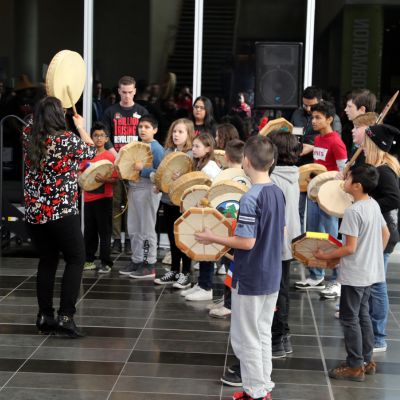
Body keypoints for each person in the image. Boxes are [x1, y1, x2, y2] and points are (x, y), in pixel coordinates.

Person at [195, 135, 285, 400]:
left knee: (245, 338)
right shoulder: (276, 191)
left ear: (246, 161)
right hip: (271, 274)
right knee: (262, 333)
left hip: (250, 277)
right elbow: (277, 232)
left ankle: (256, 393)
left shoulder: (250, 198)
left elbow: (246, 242)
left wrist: (212, 238)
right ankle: (261, 387)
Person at [22, 96, 96, 337]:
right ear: (58, 116)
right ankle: (66, 316)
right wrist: (81, 126)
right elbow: (91, 150)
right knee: (76, 258)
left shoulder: (27, 135)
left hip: (35, 212)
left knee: (47, 261)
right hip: (61, 211)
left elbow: (32, 119)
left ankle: (45, 316)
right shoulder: (66, 140)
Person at [314, 165, 389, 381]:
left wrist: (324, 256)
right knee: (363, 315)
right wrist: (373, 255)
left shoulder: (353, 211)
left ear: (356, 186)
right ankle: (367, 360)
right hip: (371, 272)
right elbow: (385, 233)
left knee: (349, 318)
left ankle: (355, 365)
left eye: (347, 178)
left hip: (356, 274)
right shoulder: (372, 204)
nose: (343, 181)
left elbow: (349, 248)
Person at [295, 101, 347, 295]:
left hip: (330, 197)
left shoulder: (337, 142)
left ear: (329, 119)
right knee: (314, 234)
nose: (313, 121)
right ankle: (316, 276)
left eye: (318, 118)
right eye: (312, 117)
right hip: (314, 195)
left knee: (332, 237)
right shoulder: (317, 140)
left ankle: (338, 279)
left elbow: (343, 172)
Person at [362, 124, 400, 351]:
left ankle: (378, 337)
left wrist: (368, 205)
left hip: (384, 234)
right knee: (374, 283)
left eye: (367, 143)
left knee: (377, 284)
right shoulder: (380, 166)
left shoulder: (385, 170)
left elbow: (394, 199)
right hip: (381, 232)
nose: (363, 148)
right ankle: (374, 334)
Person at [103, 76, 149, 255]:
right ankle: (116, 239)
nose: (127, 96)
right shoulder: (110, 112)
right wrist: (117, 157)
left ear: (135, 91)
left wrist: (134, 162)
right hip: (115, 163)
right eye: (124, 92)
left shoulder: (142, 111)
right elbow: (105, 136)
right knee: (115, 202)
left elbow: (146, 139)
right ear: (118, 91)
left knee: (133, 203)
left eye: (130, 92)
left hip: (135, 166)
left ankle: (130, 238)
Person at [117, 115, 164, 278]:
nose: (142, 130)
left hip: (148, 190)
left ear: (155, 130)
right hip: (134, 188)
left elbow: (161, 173)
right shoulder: (137, 145)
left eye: (147, 127)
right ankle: (137, 260)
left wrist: (142, 169)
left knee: (146, 227)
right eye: (140, 127)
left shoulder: (157, 149)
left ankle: (149, 263)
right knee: (134, 227)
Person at [268, 129, 302, 358]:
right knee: (283, 289)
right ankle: (284, 335)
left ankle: (277, 339)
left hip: (275, 241)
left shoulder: (273, 178)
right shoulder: (294, 174)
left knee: (276, 291)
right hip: (290, 241)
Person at [291, 86, 342, 232]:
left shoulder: (333, 123)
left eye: (311, 106)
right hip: (301, 168)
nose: (308, 109)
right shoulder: (297, 114)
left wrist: (311, 147)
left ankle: (330, 251)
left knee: (327, 219)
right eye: (305, 105)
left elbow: (334, 145)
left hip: (323, 177)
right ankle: (301, 244)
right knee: (300, 212)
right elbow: (293, 132)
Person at [154, 118, 194, 289]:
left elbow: (194, 179)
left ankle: (186, 273)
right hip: (167, 200)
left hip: (183, 204)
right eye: (175, 131)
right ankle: (174, 270)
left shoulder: (192, 154)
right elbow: (162, 173)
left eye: (181, 132)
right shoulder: (167, 151)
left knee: (184, 238)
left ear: (189, 134)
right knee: (172, 238)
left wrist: (182, 178)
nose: (176, 135)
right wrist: (158, 183)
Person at [180, 133, 221, 301]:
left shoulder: (209, 167)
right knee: (202, 248)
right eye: (193, 146)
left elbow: (209, 191)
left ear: (208, 149)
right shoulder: (200, 165)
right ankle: (201, 283)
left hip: (209, 214)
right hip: (203, 213)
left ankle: (206, 287)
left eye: (198, 146)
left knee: (206, 249)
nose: (194, 149)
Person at [208, 139, 245, 320]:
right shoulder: (249, 175)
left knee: (231, 267)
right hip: (243, 229)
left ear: (226, 156)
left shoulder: (223, 176)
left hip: (227, 228)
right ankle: (228, 299)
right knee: (233, 266)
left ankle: (230, 304)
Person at [80, 122, 118, 274]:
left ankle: (106, 262)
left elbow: (115, 179)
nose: (99, 138)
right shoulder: (87, 155)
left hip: (104, 199)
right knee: (89, 231)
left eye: (102, 135)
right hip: (88, 200)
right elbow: (79, 173)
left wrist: (104, 180)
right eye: (95, 135)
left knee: (105, 232)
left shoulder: (110, 156)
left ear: (107, 138)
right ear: (91, 137)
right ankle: (88, 260)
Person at [343, 88, 377, 156]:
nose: (345, 109)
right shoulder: (350, 127)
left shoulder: (372, 133)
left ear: (362, 109)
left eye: (349, 106)